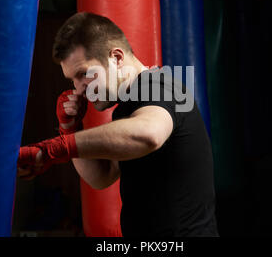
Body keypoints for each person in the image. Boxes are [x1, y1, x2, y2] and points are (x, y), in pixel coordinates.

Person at [17, 12, 218, 237]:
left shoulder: (161, 86)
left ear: (116, 58)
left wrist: (55, 149)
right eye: (72, 79)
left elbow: (148, 133)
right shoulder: (128, 107)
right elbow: (103, 176)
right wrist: (70, 128)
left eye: (83, 73)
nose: (79, 88)